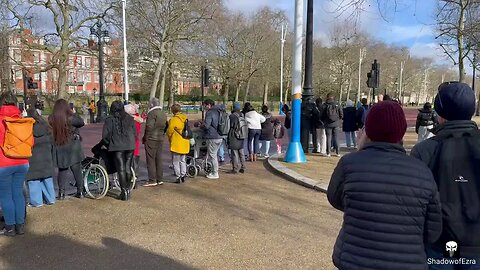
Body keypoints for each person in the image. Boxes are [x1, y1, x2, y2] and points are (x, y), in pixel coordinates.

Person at [328, 101, 442, 270]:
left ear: (368, 130)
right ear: (401, 132)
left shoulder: (349, 164)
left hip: (354, 259)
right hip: (407, 262)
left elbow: (335, 198)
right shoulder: (422, 171)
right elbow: (433, 230)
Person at [411, 82, 480, 268]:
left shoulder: (424, 150)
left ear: (440, 114)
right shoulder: (424, 150)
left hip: (438, 243)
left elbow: (416, 201)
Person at [0, 91, 31, 236]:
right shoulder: (22, 120)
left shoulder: (0, 119)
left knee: (5, 195)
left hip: (4, 162)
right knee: (17, 193)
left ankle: (9, 227)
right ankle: (20, 226)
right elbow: (31, 142)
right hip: (22, 161)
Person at [49, 99, 85, 200]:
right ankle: (80, 191)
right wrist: (73, 112)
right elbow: (81, 122)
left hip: (60, 145)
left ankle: (61, 193)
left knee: (62, 170)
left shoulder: (52, 118)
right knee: (77, 170)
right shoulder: (71, 118)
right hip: (73, 145)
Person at [103, 101, 136, 200]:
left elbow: (105, 136)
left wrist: (109, 144)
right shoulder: (130, 118)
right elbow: (134, 133)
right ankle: (128, 189)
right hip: (130, 145)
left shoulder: (109, 120)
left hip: (117, 145)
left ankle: (124, 191)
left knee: (120, 169)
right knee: (127, 167)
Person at [26, 108, 55, 207]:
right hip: (46, 156)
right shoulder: (46, 127)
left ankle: (37, 201)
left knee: (33, 180)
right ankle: (51, 198)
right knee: (47, 178)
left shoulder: (27, 128)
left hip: (33, 158)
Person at [143, 98, 167, 187]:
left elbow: (149, 126)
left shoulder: (152, 113)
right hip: (160, 137)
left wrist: (145, 137)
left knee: (150, 159)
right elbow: (166, 125)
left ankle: (152, 179)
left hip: (151, 138)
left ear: (152, 104)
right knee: (158, 158)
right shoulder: (163, 113)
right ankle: (159, 178)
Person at [166, 104, 190, 183]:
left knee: (175, 161)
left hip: (176, 142)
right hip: (185, 141)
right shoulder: (185, 118)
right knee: (183, 160)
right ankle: (183, 174)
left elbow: (169, 131)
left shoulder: (173, 120)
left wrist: (169, 138)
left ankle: (178, 176)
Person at [201, 99, 224, 179]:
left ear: (208, 105)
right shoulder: (220, 111)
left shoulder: (210, 112)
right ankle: (214, 170)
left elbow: (207, 126)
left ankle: (215, 173)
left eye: (205, 105)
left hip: (212, 136)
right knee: (214, 154)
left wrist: (201, 125)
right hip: (220, 135)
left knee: (212, 155)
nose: (204, 107)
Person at [124, 103, 143, 178]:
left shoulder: (131, 120)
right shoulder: (137, 118)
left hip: (130, 141)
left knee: (130, 159)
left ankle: (132, 175)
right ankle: (135, 174)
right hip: (135, 140)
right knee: (134, 157)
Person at [321, 93, 343, 157]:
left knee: (328, 138)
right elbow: (341, 114)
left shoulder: (325, 105)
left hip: (327, 124)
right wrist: (339, 120)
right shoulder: (338, 104)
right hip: (336, 123)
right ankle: (338, 152)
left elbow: (321, 115)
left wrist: (324, 121)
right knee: (336, 138)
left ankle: (328, 153)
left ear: (327, 97)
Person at [227, 102, 246, 174]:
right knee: (241, 152)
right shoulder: (242, 115)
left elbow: (230, 126)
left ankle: (235, 168)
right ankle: (243, 166)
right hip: (241, 134)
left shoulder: (232, 116)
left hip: (234, 135)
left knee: (234, 153)